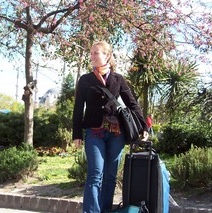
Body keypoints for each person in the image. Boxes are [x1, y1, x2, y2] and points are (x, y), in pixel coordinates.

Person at [72, 41, 148, 213]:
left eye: (95, 53)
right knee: (95, 174)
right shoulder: (85, 80)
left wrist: (144, 127)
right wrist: (77, 133)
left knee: (111, 176)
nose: (91, 56)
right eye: (91, 53)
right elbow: (78, 108)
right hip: (94, 131)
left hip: (116, 133)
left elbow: (132, 103)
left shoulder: (118, 79)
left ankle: (105, 210)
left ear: (107, 55)